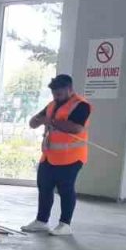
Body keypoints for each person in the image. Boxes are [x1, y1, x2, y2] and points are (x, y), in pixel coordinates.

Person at [23, 74, 90, 237]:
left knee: (65, 190)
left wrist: (50, 121)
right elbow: (34, 122)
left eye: (59, 94)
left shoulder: (81, 105)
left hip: (71, 157)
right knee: (44, 187)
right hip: (49, 156)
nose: (56, 97)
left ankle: (65, 224)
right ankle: (41, 221)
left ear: (69, 89)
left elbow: (76, 128)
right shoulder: (52, 104)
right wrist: (37, 121)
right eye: (54, 94)